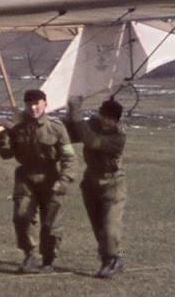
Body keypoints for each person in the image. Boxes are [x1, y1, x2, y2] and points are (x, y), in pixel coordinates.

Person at [0, 88, 78, 274]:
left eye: (37, 103)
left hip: (51, 178)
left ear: (45, 104)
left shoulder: (56, 127)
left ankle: (48, 260)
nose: (33, 108)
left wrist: (65, 179)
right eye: (29, 104)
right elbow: (6, 154)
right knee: (21, 217)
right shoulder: (17, 126)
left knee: (51, 223)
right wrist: (1, 135)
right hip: (26, 177)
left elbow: (69, 157)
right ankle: (29, 254)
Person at [66, 95, 128, 278]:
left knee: (110, 229)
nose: (107, 121)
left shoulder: (118, 139)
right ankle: (109, 260)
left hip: (113, 187)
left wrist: (76, 113)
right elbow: (73, 132)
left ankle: (112, 259)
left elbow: (91, 140)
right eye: (104, 116)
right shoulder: (93, 124)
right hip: (91, 184)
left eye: (111, 118)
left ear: (116, 121)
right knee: (99, 229)